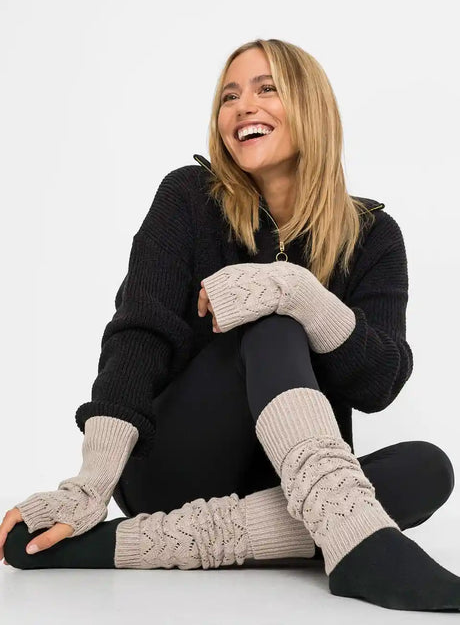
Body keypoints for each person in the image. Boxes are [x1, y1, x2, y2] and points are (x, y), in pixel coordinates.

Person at [1, 38, 459, 612]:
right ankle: (355, 543)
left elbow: (379, 382)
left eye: (268, 89)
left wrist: (297, 291)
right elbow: (138, 337)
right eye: (229, 97)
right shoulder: (188, 199)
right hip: (173, 465)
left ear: (311, 107)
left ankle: (145, 544)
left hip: (291, 481)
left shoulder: (372, 236)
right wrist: (91, 483)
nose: (244, 107)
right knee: (273, 326)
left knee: (428, 470)